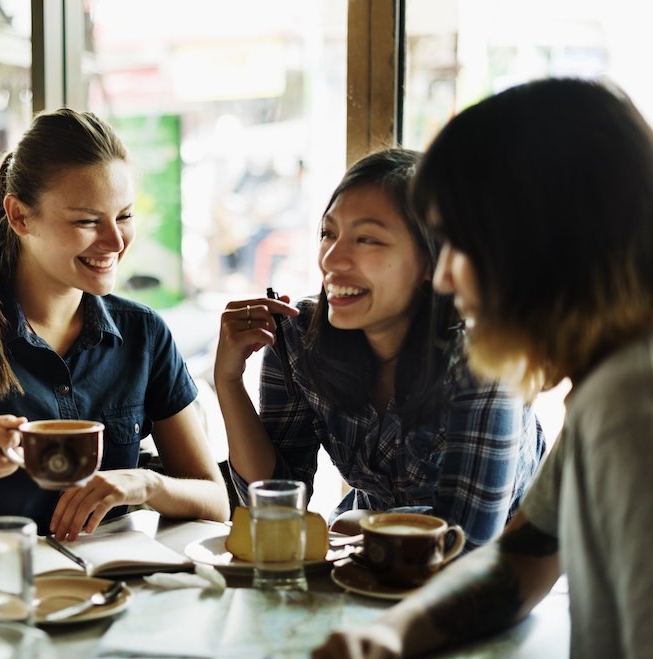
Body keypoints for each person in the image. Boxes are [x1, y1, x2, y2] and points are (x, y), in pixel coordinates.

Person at [312, 77, 653, 659]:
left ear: (539, 245)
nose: (444, 277)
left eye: (459, 243)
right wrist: (394, 633)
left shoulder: (632, 400)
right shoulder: (607, 383)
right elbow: (519, 561)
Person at [0, 108, 229, 543]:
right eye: (87, 221)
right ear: (19, 216)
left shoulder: (144, 333)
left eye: (124, 216)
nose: (115, 242)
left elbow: (215, 502)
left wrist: (146, 484)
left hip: (113, 577)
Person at [214, 148, 546, 550]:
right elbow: (273, 506)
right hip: (368, 559)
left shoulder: (485, 361)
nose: (332, 259)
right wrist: (229, 381)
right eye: (328, 233)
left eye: (367, 239)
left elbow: (467, 541)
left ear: (432, 262)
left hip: (498, 573)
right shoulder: (300, 338)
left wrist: (361, 523)